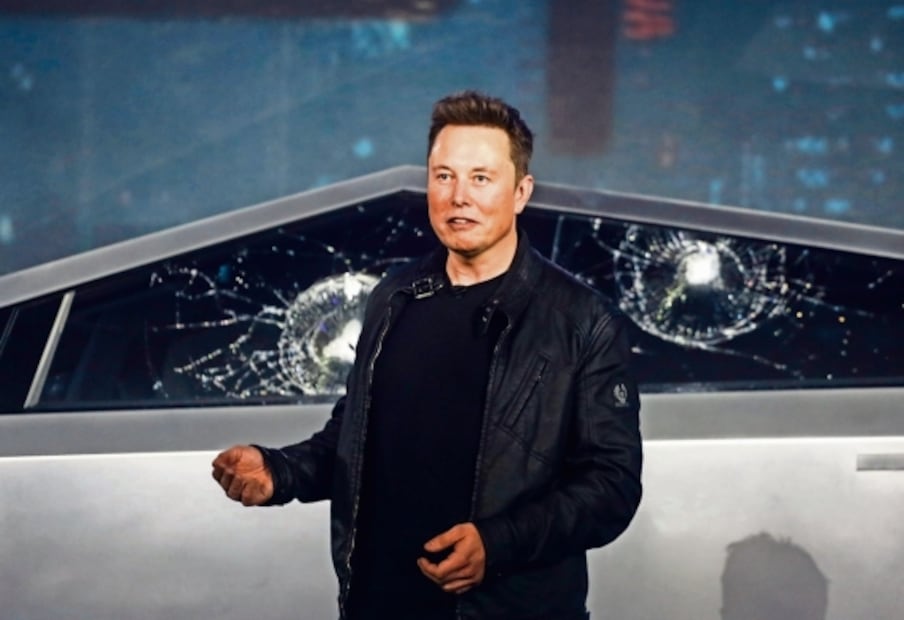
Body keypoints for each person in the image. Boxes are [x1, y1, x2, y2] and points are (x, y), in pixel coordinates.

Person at [212, 90, 643, 620]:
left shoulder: (583, 321)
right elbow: (355, 438)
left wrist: (498, 544)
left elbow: (610, 486)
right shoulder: (394, 298)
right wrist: (279, 472)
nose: (459, 196)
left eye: (480, 178)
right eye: (444, 176)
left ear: (520, 192)